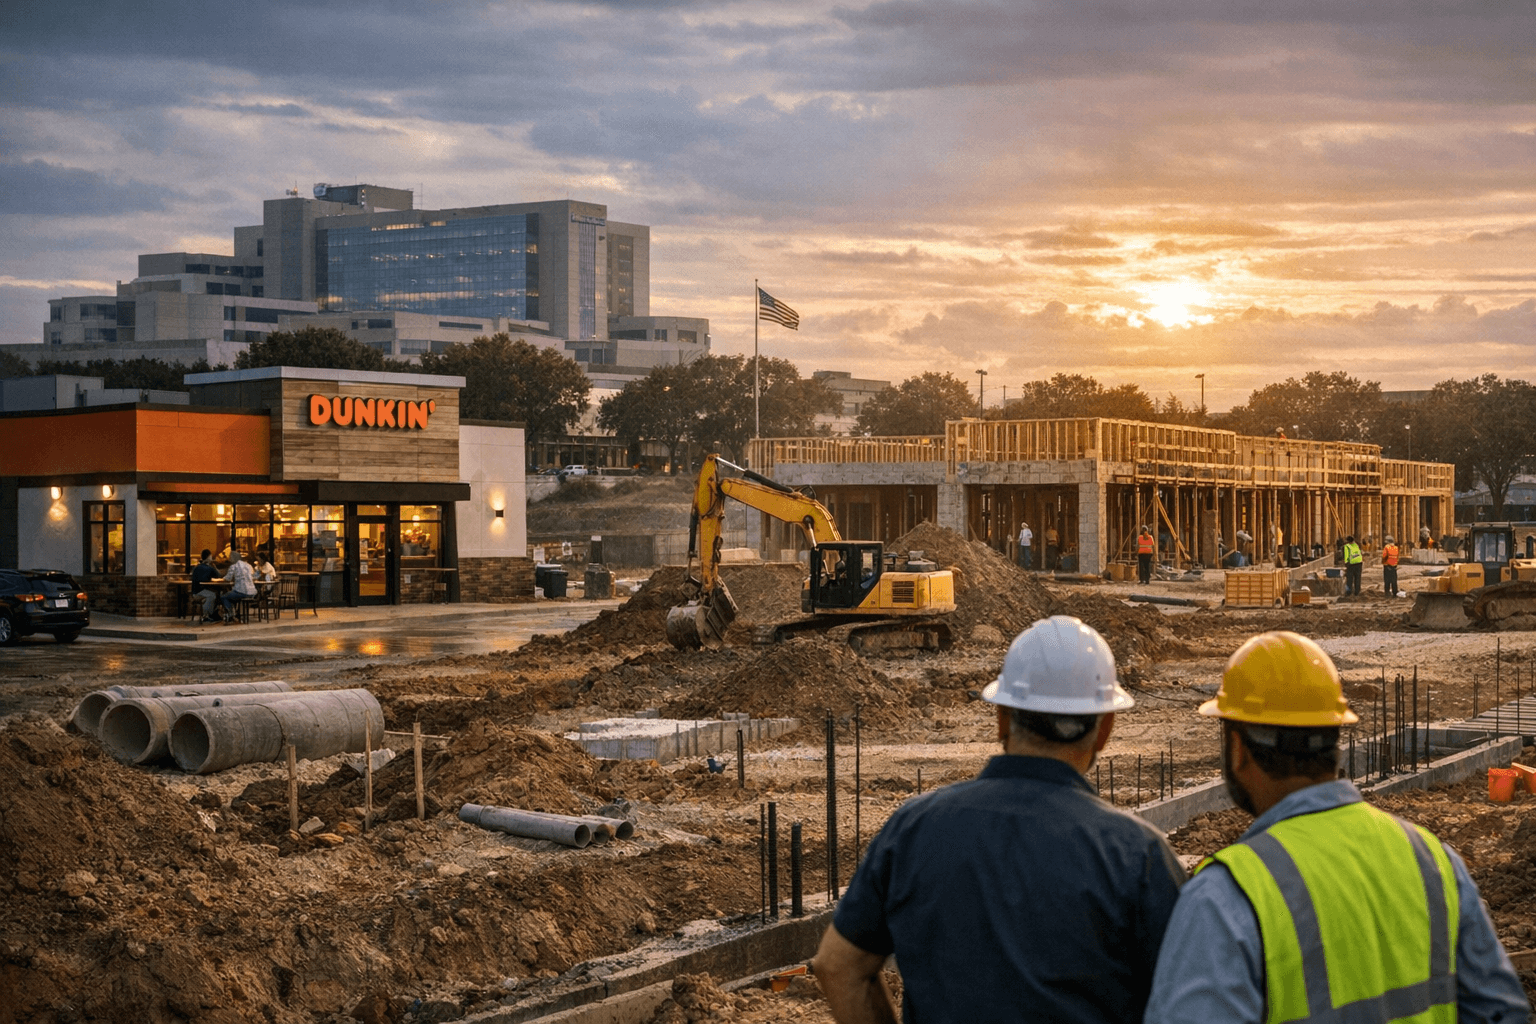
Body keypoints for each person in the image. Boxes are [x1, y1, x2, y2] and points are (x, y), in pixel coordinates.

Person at [814, 616, 1185, 1024]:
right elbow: (1189, 1002)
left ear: (1002, 718)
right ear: (1104, 728)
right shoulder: (1138, 856)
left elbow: (839, 965)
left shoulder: (914, 830)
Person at [1145, 631, 1530, 1023]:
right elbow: (1503, 1013)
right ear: (1335, 740)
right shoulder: (1433, 861)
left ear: (1238, 750)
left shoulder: (1227, 898)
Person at [219, 549, 257, 624]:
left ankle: (231, 614)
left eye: (230, 558)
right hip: (253, 592)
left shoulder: (234, 566)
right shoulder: (248, 565)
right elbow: (253, 576)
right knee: (232, 595)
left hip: (241, 592)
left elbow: (227, 578)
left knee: (224, 597)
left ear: (233, 558)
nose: (229, 559)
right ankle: (236, 614)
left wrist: (217, 579)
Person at [190, 549, 221, 622]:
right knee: (213, 595)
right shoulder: (209, 568)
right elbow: (219, 575)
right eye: (211, 556)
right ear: (209, 557)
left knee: (213, 594)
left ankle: (211, 613)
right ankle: (207, 614)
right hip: (201, 591)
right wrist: (215, 567)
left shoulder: (197, 567)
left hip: (195, 592)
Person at [1382, 534, 1400, 598]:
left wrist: (1384, 562)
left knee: (1387, 580)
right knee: (1394, 580)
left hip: (1387, 566)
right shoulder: (1396, 548)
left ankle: (1387, 592)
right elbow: (1397, 557)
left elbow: (1384, 556)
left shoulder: (1386, 547)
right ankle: (1395, 592)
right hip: (1394, 566)